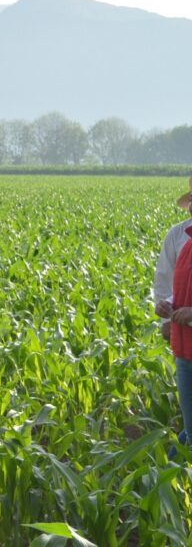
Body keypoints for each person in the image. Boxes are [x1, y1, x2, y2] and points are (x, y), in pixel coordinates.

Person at [153, 175, 192, 453]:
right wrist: (166, 310)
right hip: (185, 343)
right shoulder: (179, 236)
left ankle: (163, 474)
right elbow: (167, 283)